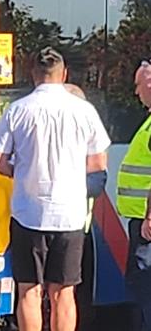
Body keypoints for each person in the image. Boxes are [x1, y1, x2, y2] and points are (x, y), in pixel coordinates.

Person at [0, 47, 110, 331]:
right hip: (70, 216)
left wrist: (22, 172)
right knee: (64, 294)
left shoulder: (17, 110)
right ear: (64, 74)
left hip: (29, 214)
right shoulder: (84, 111)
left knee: (29, 291)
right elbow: (98, 162)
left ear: (33, 75)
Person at [115, 61, 151, 331]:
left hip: (147, 224)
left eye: (138, 85)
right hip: (140, 219)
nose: (136, 92)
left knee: (144, 285)